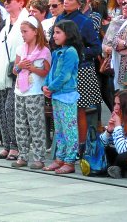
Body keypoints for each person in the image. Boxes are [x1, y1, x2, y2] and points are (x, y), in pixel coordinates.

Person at [50, 0, 102, 157]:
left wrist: (76, 54)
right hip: (60, 69)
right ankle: (63, 149)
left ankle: (80, 147)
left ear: (80, 3)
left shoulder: (85, 21)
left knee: (78, 109)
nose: (66, 1)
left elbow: (96, 48)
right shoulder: (59, 18)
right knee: (60, 110)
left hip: (81, 71)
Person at [0, 0, 29, 160]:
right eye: (5, 0)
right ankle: (7, 145)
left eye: (9, 0)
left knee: (10, 108)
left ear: (21, 2)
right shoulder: (6, 22)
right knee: (1, 108)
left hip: (18, 71)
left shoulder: (27, 20)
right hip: (2, 72)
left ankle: (16, 146)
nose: (5, 3)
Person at [42, 20, 83, 174]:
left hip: (66, 95)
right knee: (59, 129)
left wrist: (50, 88)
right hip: (56, 95)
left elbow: (64, 75)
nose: (54, 36)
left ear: (69, 34)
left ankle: (70, 160)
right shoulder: (56, 52)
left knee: (69, 129)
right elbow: (51, 73)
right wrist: (45, 86)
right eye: (54, 33)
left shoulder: (70, 52)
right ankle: (60, 157)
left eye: (58, 32)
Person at [11, 16, 51, 169]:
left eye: (25, 31)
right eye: (21, 32)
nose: (23, 34)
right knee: (20, 124)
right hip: (20, 90)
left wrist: (33, 68)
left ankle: (39, 157)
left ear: (35, 32)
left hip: (34, 92)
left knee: (36, 124)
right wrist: (20, 65)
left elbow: (46, 71)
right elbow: (15, 70)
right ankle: (22, 155)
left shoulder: (44, 51)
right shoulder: (20, 49)